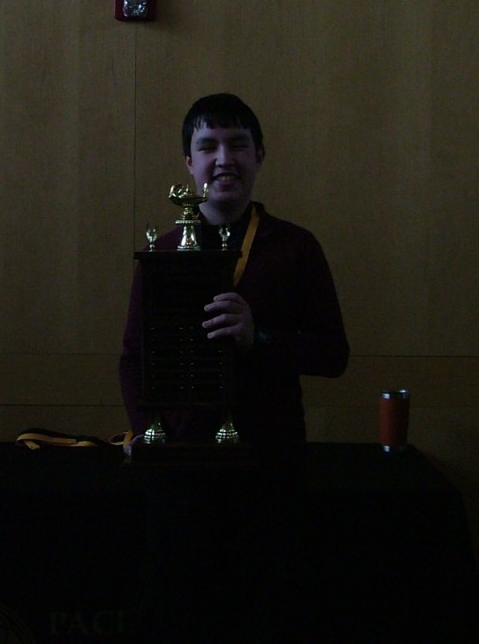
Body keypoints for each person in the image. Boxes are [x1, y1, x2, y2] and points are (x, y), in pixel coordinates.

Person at [119, 93, 349, 451]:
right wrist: (148, 431)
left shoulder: (296, 247)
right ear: (189, 162)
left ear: (259, 155)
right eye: (208, 147)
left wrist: (258, 339)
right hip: (179, 455)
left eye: (238, 145)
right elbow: (134, 359)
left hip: (271, 454)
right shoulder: (161, 253)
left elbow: (334, 355)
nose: (225, 159)